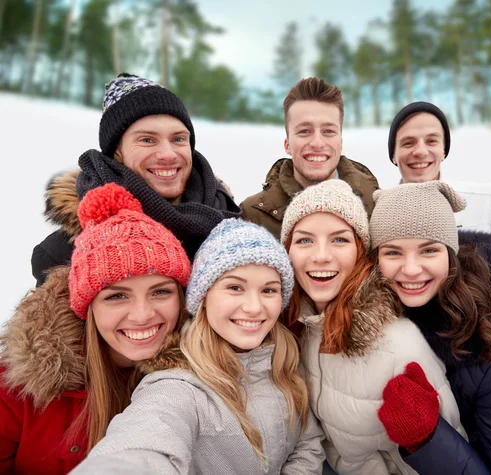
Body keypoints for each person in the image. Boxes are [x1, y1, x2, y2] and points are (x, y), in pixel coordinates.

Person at [70, 219, 325, 475]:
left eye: (269, 290)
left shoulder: (284, 361)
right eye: (235, 287)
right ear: (203, 298)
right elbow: (144, 439)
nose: (254, 307)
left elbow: (308, 444)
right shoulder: (180, 385)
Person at [0, 183, 191, 474]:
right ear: (87, 308)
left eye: (160, 292)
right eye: (116, 296)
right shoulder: (16, 390)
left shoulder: (202, 379)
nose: (142, 315)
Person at [370, 181, 491, 474]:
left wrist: (429, 441)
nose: (410, 268)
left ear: (450, 254)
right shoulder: (374, 323)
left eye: (428, 250)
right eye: (393, 253)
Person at [280, 179, 466, 474]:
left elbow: (448, 461)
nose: (321, 256)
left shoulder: (399, 344)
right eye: (304, 240)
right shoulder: (301, 329)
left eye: (339, 239)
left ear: (360, 253)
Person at [32, 73, 240, 287]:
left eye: (178, 139)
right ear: (117, 152)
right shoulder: (64, 255)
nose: (168, 154)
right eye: (147, 140)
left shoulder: (232, 224)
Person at [387, 101, 491, 285]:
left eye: (431, 141)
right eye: (408, 143)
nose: (421, 151)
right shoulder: (377, 213)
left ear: (444, 150)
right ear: (393, 155)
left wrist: (475, 306)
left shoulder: (488, 202)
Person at [240, 77, 379, 240]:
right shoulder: (253, 216)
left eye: (328, 131)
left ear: (340, 142)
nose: (317, 143)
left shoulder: (375, 204)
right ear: (287, 145)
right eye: (304, 131)